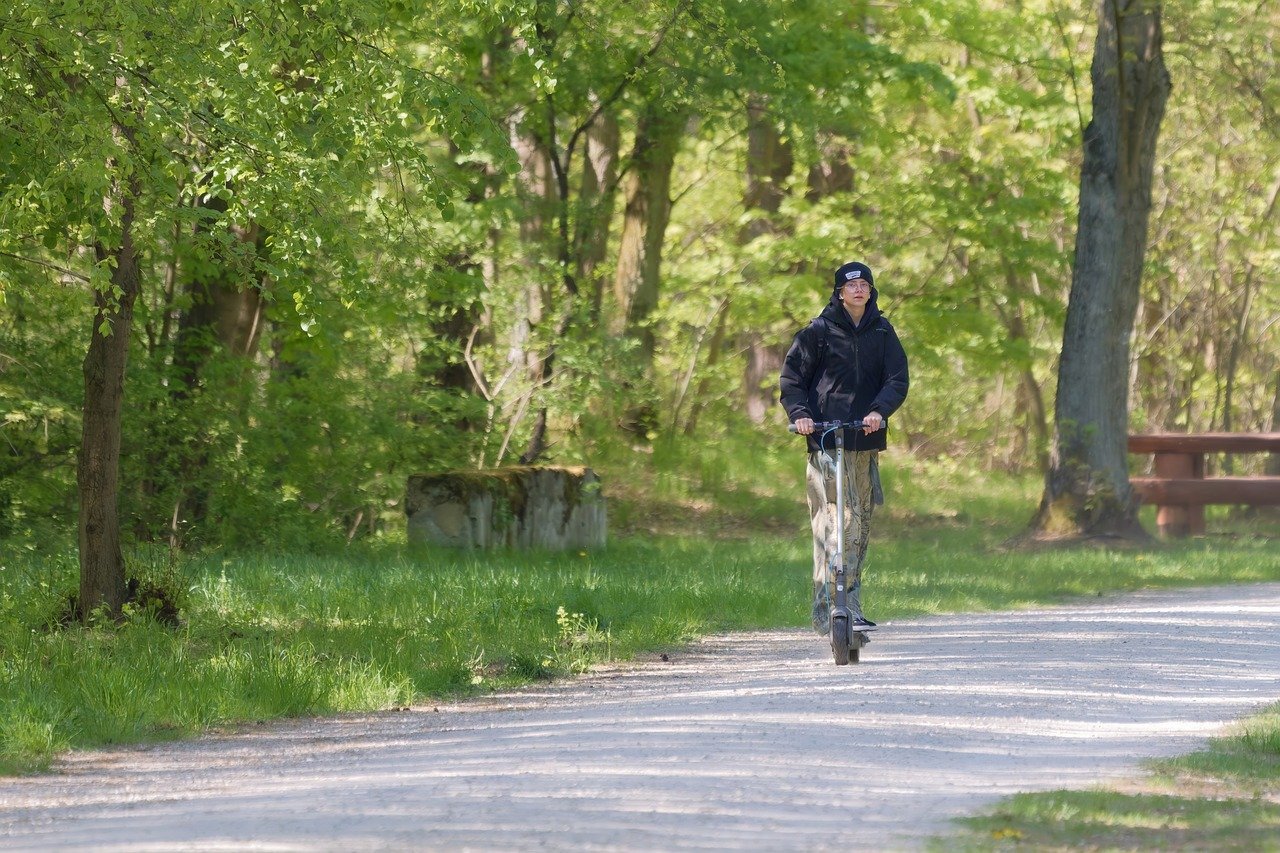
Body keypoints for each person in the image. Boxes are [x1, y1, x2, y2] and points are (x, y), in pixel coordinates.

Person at [778, 260, 909, 634]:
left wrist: (878, 411)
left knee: (860, 525)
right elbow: (792, 380)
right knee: (835, 524)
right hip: (824, 442)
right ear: (839, 292)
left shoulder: (883, 332)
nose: (858, 290)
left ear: (871, 291)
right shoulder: (817, 332)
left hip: (863, 441)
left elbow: (897, 379)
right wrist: (801, 414)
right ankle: (826, 612)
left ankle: (850, 606)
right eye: (851, 285)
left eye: (864, 284)